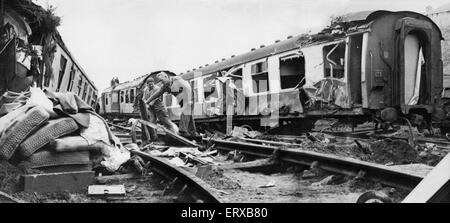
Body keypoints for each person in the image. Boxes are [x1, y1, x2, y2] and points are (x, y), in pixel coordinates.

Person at [144, 72, 197, 138]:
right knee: (188, 116)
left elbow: (188, 87)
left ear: (166, 77)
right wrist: (147, 101)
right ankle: (193, 134)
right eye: (160, 81)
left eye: (162, 80)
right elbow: (156, 95)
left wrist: (189, 100)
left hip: (190, 96)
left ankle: (182, 131)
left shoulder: (176, 79)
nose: (161, 83)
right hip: (181, 100)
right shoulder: (165, 86)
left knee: (185, 112)